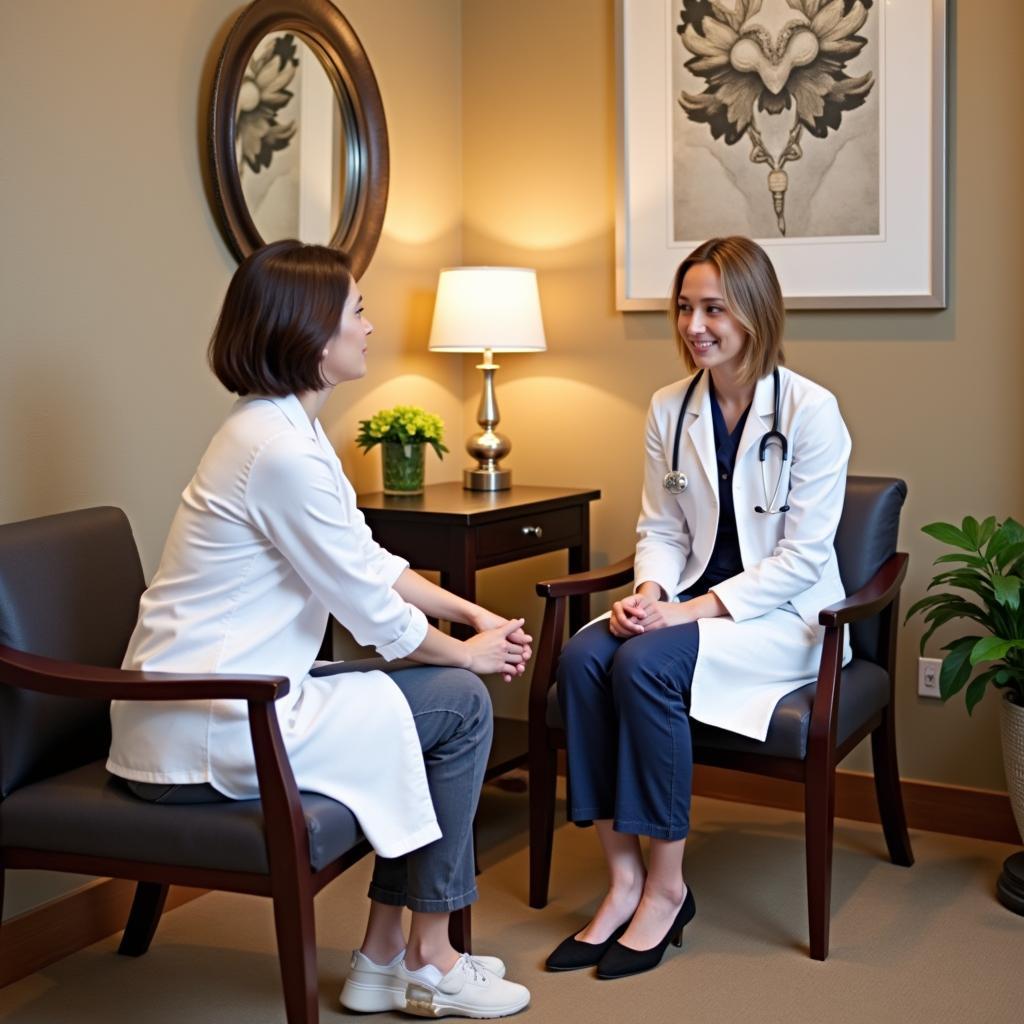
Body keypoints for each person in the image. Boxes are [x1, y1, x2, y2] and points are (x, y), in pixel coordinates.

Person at [107, 240, 532, 1018]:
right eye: (358, 311)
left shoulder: (284, 430)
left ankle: (381, 958)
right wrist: (467, 655)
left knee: (440, 697)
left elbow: (367, 561)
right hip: (210, 719)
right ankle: (427, 957)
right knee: (463, 704)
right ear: (310, 332)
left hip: (237, 692)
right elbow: (369, 611)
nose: (369, 327)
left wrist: (471, 615)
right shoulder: (276, 451)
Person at [546, 236, 852, 980]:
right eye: (685, 307)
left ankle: (667, 887)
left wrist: (686, 615)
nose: (694, 324)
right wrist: (649, 595)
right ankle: (622, 881)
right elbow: (659, 527)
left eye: (713, 307)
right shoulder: (668, 407)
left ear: (754, 311)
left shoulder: (811, 412)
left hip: (786, 620)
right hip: (682, 604)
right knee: (585, 655)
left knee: (645, 662)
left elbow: (804, 559)